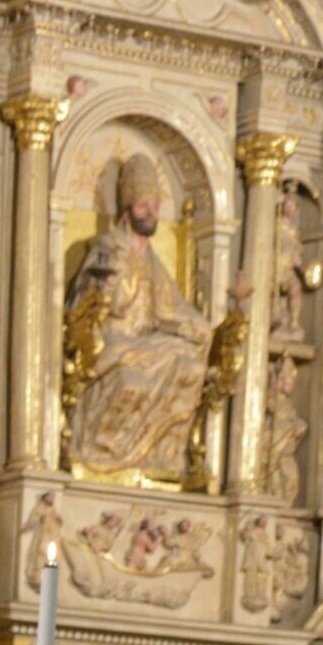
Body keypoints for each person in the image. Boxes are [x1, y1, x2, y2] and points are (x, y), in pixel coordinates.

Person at [64, 150, 212, 484]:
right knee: (133, 375)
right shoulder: (109, 248)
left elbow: (169, 308)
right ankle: (102, 452)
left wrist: (197, 327)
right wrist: (105, 288)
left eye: (156, 207)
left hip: (146, 340)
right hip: (113, 339)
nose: (152, 213)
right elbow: (86, 302)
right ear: (128, 208)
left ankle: (164, 456)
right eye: (145, 206)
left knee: (191, 365)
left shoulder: (152, 260)